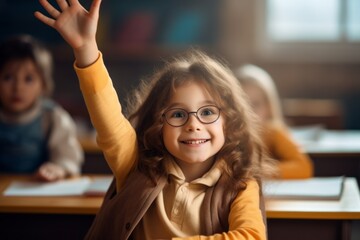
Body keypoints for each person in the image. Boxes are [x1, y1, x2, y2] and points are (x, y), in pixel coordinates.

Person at [35, 0, 275, 239]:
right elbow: (107, 119)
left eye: (208, 112)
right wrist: (86, 49)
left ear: (229, 122)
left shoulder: (239, 185)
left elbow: (251, 236)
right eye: (178, 114)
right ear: (157, 126)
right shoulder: (136, 166)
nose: (193, 125)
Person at [0, 34, 84, 181]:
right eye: (8, 77)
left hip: (36, 193)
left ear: (43, 84)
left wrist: (58, 168)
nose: (17, 88)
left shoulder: (52, 117)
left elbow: (68, 157)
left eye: (29, 79)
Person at [235, 64, 314, 179]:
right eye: (242, 104)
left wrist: (263, 170)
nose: (248, 112)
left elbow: (304, 167)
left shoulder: (273, 132)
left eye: (255, 104)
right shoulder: (228, 135)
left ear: (269, 107)